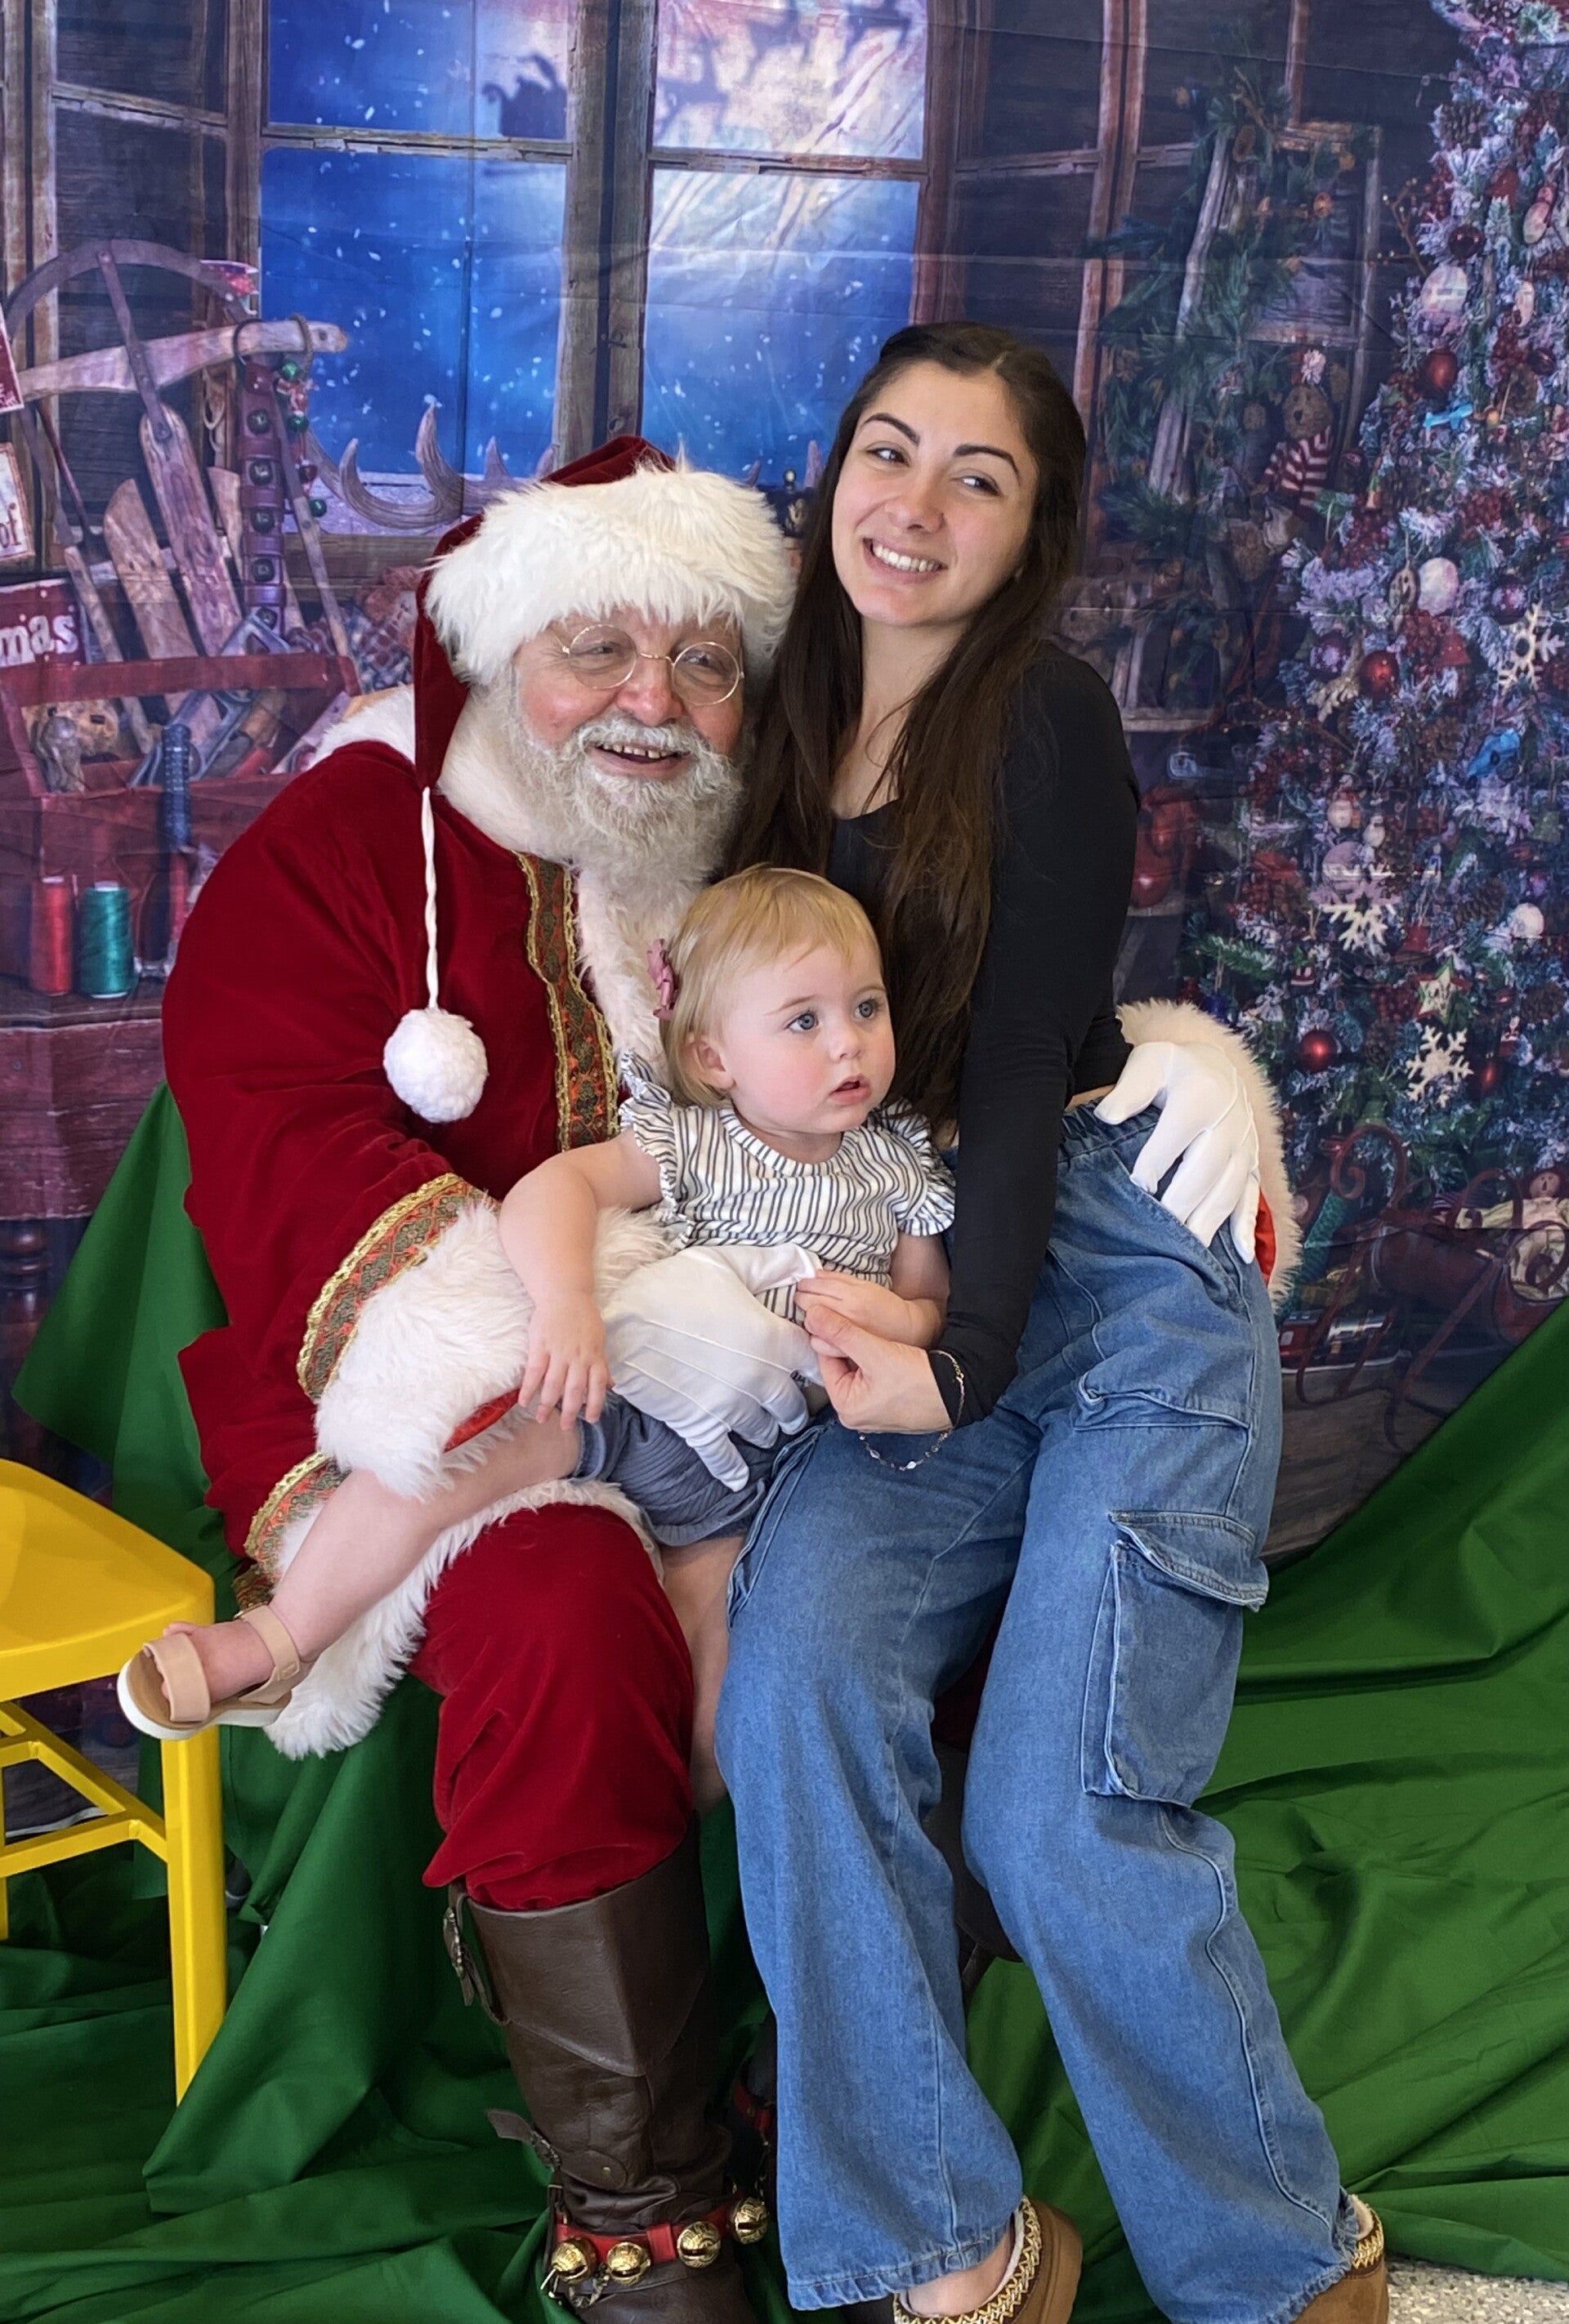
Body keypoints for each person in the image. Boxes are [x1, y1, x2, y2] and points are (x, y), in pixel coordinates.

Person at [133, 427, 1285, 2324]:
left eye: (702, 658)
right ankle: (644, 2210)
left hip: (785, 1380)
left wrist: (1169, 1073)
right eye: (596, 648)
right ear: (503, 650)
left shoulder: (772, 841)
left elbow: (968, 1045)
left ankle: (825, 2111)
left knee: (931, 1585)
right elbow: (286, 1157)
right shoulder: (349, 849)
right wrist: (621, 1330)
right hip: (472, 1384)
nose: (652, 701)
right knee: (563, 1610)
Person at [716, 322, 1387, 2324]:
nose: (916, 505)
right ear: (835, 471)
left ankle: (1286, 2269)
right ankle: (950, 2245)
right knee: (795, 1677)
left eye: (979, 477)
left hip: (1099, 1285)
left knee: (1051, 1805)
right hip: (929, 1266)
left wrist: (966, 1362)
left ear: (1035, 535)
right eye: (890, 450)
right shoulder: (775, 713)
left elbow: (1020, 1063)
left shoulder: (1044, 715)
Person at [119, 865, 954, 1816]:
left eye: (866, 1007)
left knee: (719, 1706)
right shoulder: (697, 1140)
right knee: (434, 1472)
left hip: (761, 1470)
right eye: (804, 1021)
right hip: (633, 1403)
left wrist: (891, 1320)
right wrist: (567, 1304)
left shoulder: (899, 1164)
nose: (849, 1042)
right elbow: (555, 1189)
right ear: (717, 1057)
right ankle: (276, 1643)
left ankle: (667, 1848)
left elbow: (930, 1302)